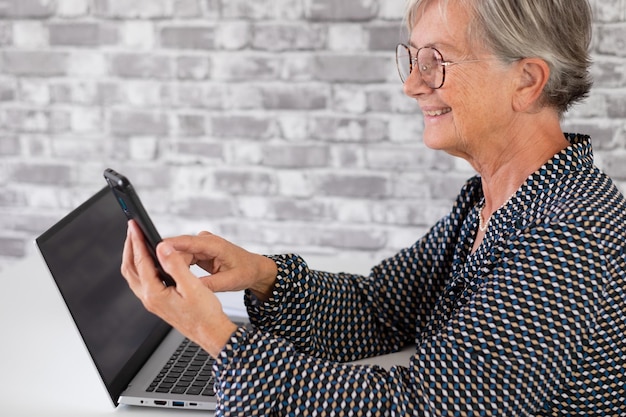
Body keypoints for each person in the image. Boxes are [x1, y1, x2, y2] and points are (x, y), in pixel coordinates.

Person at [121, 0, 626, 415]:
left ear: (526, 81)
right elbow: (381, 308)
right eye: (414, 60)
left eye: (437, 62)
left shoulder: (566, 233)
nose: (412, 85)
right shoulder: (493, 201)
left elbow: (424, 409)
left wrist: (215, 335)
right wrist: (260, 274)